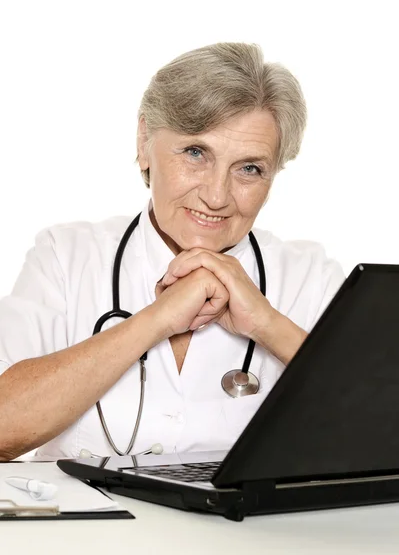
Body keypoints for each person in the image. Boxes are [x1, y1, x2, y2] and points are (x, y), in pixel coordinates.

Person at [0, 42, 345, 461]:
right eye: (196, 153)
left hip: (245, 528)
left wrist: (268, 324)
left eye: (249, 168)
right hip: (90, 528)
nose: (217, 196)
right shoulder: (66, 257)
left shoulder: (310, 276)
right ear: (145, 141)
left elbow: (381, 431)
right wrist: (156, 320)